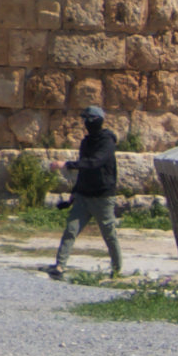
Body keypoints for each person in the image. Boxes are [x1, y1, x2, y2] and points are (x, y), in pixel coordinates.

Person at [48, 109, 122, 280]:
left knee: (109, 234)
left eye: (90, 119)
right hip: (83, 195)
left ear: (98, 121)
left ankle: (117, 270)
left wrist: (66, 164)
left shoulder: (107, 142)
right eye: (85, 120)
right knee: (71, 230)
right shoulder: (86, 142)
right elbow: (83, 169)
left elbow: (94, 163)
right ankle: (60, 265)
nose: (87, 123)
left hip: (103, 197)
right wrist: (74, 193)